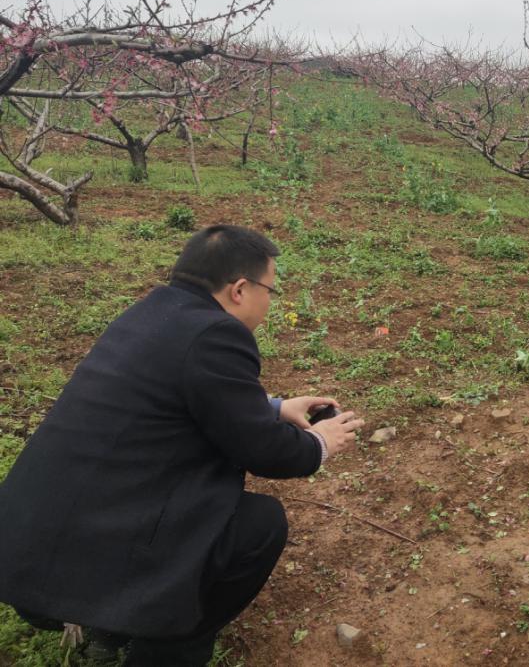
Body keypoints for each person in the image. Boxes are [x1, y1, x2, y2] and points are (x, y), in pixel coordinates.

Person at [0, 224, 365, 666]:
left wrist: (272, 406)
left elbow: (176, 396)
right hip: (81, 563)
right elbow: (266, 452)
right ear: (240, 289)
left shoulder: (149, 314)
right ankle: (167, 648)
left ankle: (108, 623)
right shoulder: (218, 335)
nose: (269, 302)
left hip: (28, 552)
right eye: (270, 289)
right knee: (259, 524)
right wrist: (319, 442)